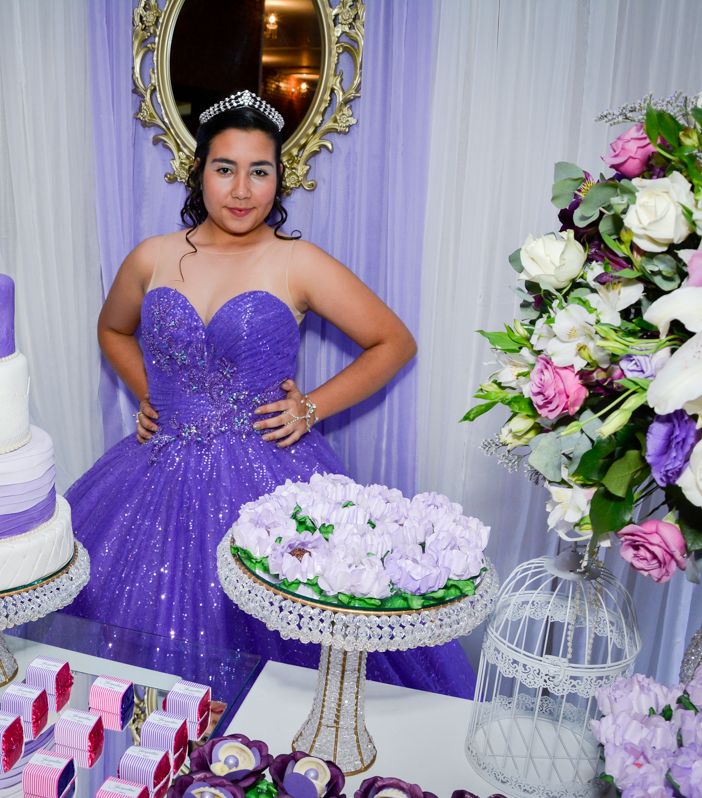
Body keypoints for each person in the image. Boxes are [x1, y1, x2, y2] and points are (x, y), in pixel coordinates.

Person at [64, 91, 474, 697]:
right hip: (151, 475)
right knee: (124, 637)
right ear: (198, 169)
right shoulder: (152, 256)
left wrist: (311, 408)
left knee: (282, 641)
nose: (241, 189)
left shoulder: (296, 262)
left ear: (280, 177)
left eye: (259, 171)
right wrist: (152, 394)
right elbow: (113, 329)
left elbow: (393, 342)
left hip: (266, 475)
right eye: (225, 168)